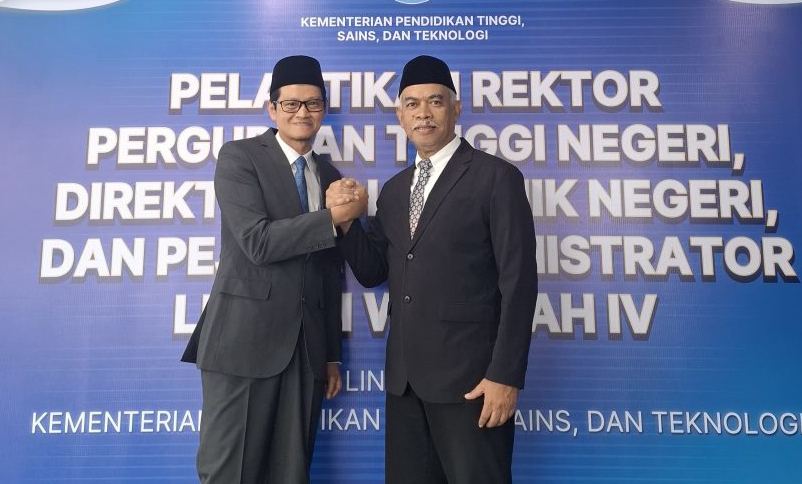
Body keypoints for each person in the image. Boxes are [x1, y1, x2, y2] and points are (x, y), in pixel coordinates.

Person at [331, 55, 538, 484]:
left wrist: (505, 375)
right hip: (405, 383)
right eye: (412, 104)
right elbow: (373, 272)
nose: (423, 113)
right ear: (400, 115)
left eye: (435, 101)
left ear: (455, 109)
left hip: (473, 382)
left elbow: (519, 283)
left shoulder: (496, 177)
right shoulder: (394, 191)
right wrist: (348, 223)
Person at [182, 54, 366, 484]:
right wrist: (332, 219)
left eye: (313, 103)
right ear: (272, 109)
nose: (303, 112)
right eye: (291, 103)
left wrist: (331, 354)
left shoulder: (329, 174)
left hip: (306, 354)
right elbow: (257, 242)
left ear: (323, 110)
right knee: (230, 473)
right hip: (243, 342)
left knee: (291, 474)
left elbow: (329, 273)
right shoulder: (240, 157)